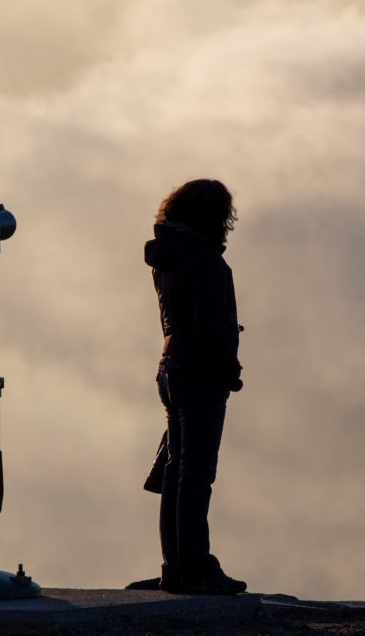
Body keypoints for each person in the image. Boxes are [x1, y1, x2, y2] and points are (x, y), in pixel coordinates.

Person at [143, 178, 246, 595]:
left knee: (176, 472)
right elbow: (208, 327)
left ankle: (176, 566)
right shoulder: (208, 263)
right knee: (196, 473)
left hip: (170, 366)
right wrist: (230, 371)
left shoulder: (166, 259)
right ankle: (197, 568)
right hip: (200, 372)